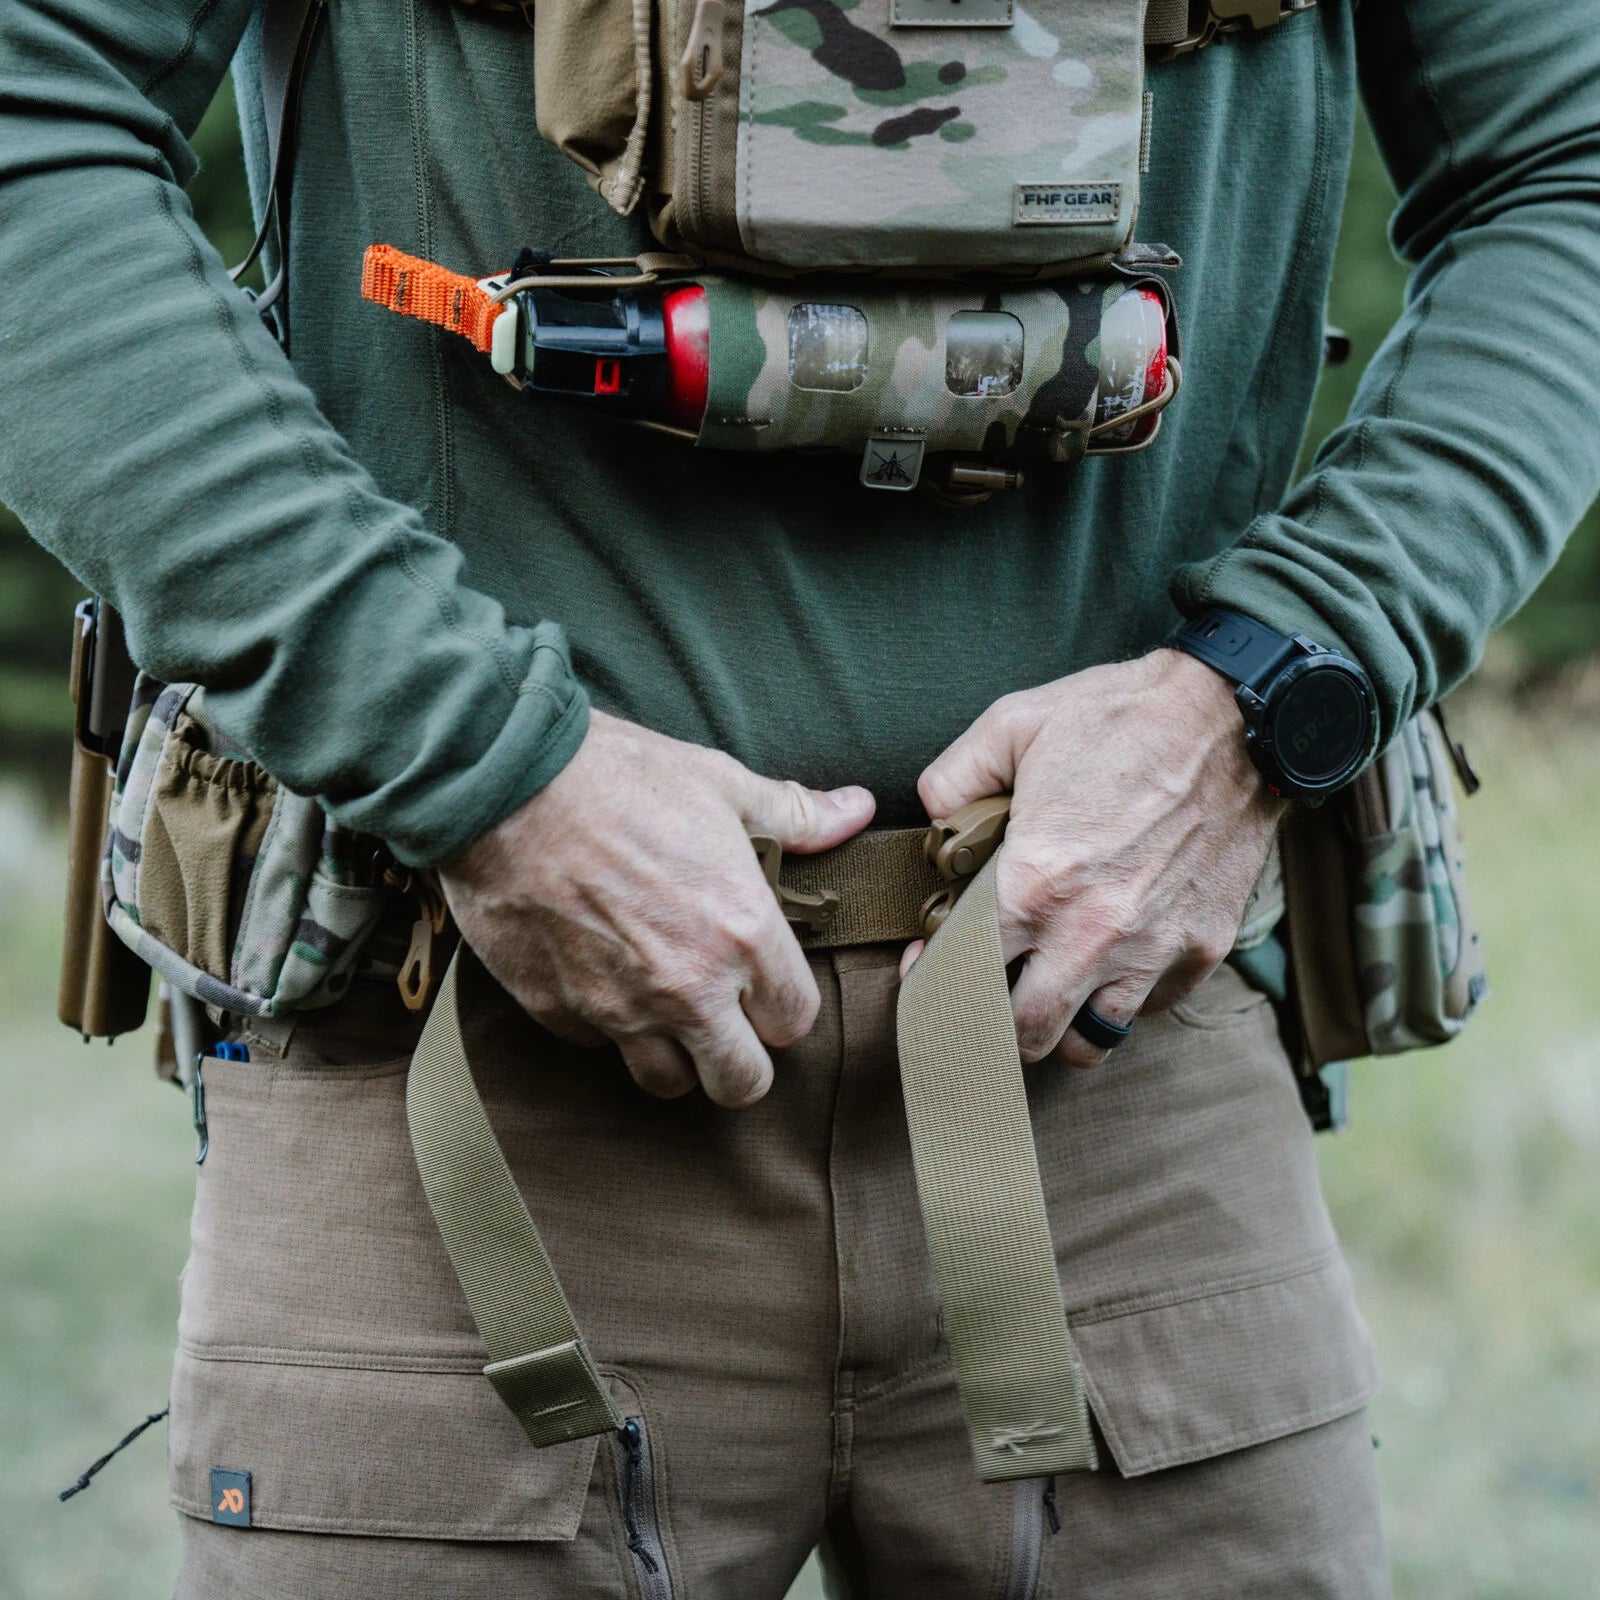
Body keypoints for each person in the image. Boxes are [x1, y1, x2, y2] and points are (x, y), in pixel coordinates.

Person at [3, 1, 1598, 1595]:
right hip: (461, 1074)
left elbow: (1567, 168)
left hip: (1128, 1074)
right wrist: (477, 760)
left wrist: (1272, 684)